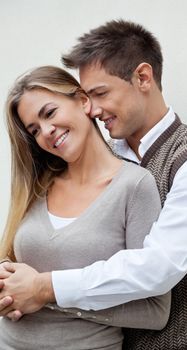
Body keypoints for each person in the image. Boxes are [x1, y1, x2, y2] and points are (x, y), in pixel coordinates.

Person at [0, 19, 187, 349]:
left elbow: (156, 269)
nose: (92, 109)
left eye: (100, 93)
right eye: (86, 96)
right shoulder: (96, 158)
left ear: (142, 78)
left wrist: (43, 289)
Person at [0, 65, 171, 349]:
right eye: (34, 129)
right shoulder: (37, 185)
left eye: (49, 113)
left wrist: (45, 294)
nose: (46, 131)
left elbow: (155, 310)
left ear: (82, 101)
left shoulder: (134, 187)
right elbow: (12, 261)